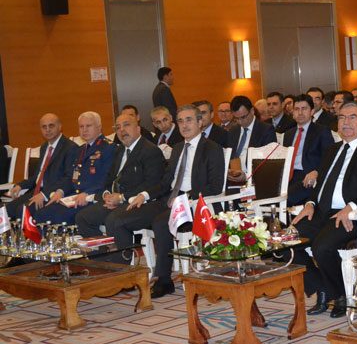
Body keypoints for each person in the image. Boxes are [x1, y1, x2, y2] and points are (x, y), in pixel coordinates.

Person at [291, 102, 357, 318]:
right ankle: (323, 287)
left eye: (352, 117)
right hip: (322, 212)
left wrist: (352, 207)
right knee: (284, 242)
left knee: (322, 247)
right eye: (341, 117)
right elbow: (321, 186)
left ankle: (341, 295)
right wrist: (310, 204)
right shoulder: (332, 150)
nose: (346, 122)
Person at [114, 105, 224, 298]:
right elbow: (165, 182)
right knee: (121, 218)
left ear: (200, 122)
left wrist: (185, 197)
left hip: (194, 204)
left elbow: (214, 186)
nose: (184, 125)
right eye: (180, 121)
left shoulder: (212, 148)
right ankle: (124, 275)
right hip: (169, 199)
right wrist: (144, 195)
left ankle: (163, 280)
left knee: (160, 222)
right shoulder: (178, 148)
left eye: (189, 120)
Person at [75, 114, 166, 261]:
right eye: (118, 127)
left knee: (114, 220)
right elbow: (109, 179)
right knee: (83, 217)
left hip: (144, 202)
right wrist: (106, 195)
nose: (122, 130)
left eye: (126, 125)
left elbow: (152, 183)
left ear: (138, 128)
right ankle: (102, 259)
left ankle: (122, 264)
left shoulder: (150, 150)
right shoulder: (120, 150)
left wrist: (122, 198)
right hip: (118, 201)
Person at [33, 112, 116, 225]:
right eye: (81, 126)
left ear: (99, 127)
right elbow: (72, 177)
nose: (84, 130)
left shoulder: (108, 148)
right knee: (41, 214)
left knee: (57, 217)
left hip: (92, 197)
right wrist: (61, 191)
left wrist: (87, 193)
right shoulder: (80, 150)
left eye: (88, 126)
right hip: (74, 196)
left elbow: (107, 179)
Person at [5, 113, 77, 219]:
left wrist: (44, 194)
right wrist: (20, 185)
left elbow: (69, 178)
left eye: (51, 126)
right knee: (7, 209)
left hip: (52, 193)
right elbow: (38, 176)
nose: (47, 130)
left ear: (60, 126)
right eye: (44, 127)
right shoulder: (44, 147)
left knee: (23, 211)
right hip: (37, 190)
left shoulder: (70, 148)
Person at [283, 94, 334, 206]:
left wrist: (317, 172)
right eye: (297, 109)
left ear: (312, 112)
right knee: (266, 194)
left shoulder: (322, 131)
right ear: (293, 113)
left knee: (285, 199)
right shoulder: (288, 134)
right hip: (287, 176)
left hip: (308, 176)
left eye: (304, 109)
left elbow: (331, 157)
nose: (300, 113)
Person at [226, 96, 276, 181]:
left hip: (255, 179)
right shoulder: (233, 131)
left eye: (243, 117)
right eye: (236, 118)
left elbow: (268, 164)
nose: (240, 121)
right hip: (233, 179)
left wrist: (247, 176)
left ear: (252, 111)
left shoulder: (266, 130)